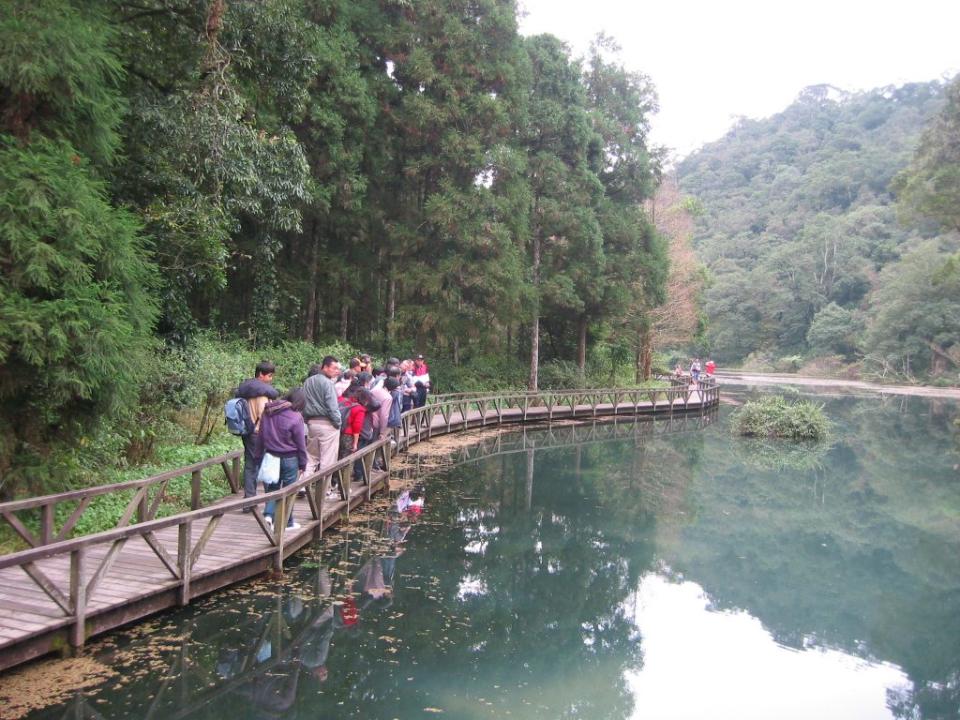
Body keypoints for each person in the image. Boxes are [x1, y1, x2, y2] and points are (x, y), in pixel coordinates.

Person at [254, 387, 308, 530]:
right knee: (289, 491)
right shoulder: (296, 417)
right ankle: (287, 523)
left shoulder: (268, 412)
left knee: (273, 488)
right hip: (290, 458)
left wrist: (257, 456)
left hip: (271, 455)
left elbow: (261, 436)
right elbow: (301, 443)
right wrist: (303, 463)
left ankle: (268, 515)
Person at [234, 361, 279, 506]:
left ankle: (249, 500)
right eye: (270, 376)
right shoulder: (261, 394)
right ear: (261, 375)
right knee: (265, 464)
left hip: (247, 432)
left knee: (250, 465)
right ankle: (269, 499)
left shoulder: (246, 391)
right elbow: (264, 414)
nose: (271, 379)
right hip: (260, 433)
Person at [302, 356, 342, 487]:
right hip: (328, 424)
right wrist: (338, 423)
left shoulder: (307, 382)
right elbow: (332, 407)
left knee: (311, 458)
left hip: (312, 423)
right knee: (327, 460)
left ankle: (302, 486)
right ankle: (323, 493)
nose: (337, 371)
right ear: (325, 367)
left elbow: (303, 402)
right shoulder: (328, 383)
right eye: (334, 368)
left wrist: (307, 420)